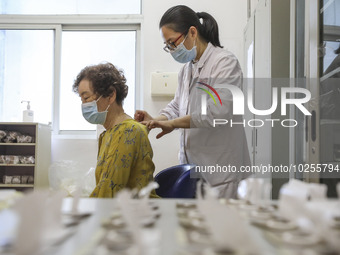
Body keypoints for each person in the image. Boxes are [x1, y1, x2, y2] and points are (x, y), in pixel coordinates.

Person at [135, 5, 251, 198]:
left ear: (192, 32)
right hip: (194, 173)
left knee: (221, 226)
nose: (172, 50)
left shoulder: (224, 63)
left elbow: (216, 113)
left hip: (221, 176)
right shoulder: (187, 70)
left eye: (173, 43)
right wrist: (157, 119)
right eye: (168, 46)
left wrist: (171, 124)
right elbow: (177, 106)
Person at [73, 62, 158, 198]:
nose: (84, 105)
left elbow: (109, 192)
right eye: (82, 100)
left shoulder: (128, 131)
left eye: (87, 98)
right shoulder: (109, 133)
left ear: (111, 95)